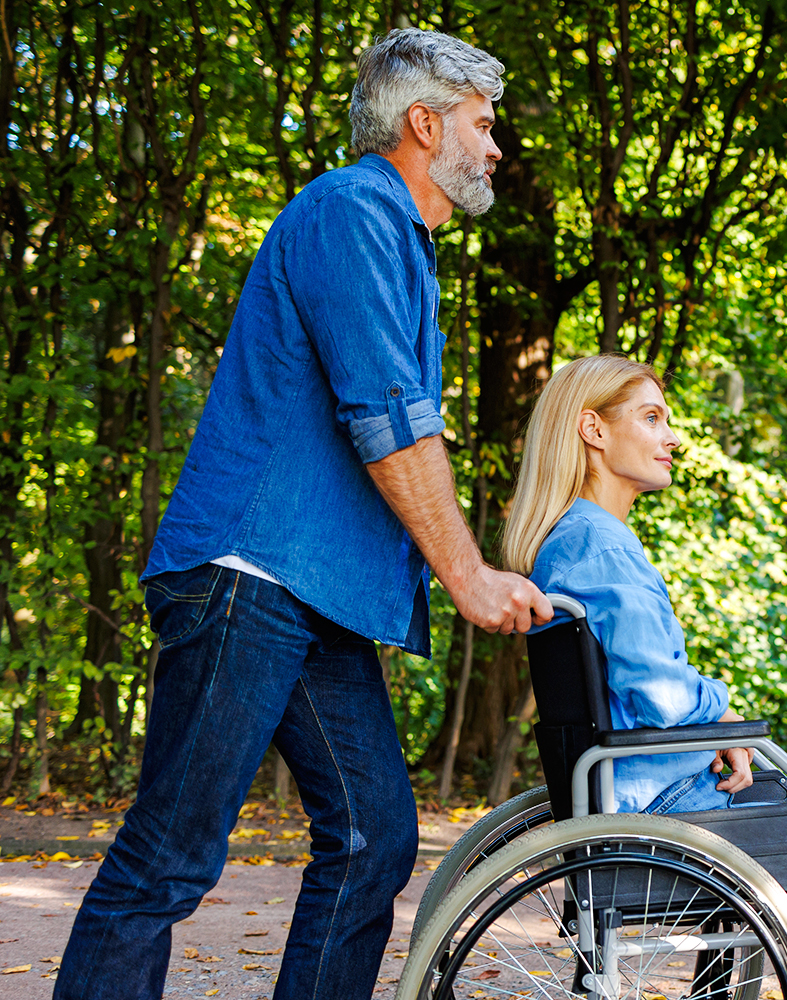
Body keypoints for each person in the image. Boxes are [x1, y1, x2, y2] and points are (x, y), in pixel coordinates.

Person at [54, 29, 552, 1000]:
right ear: (424, 123)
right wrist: (467, 574)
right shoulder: (352, 212)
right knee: (169, 858)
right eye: (483, 126)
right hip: (247, 576)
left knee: (374, 839)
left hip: (312, 595)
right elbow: (388, 418)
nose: (495, 149)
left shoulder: (404, 241)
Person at [500, 354, 787, 999]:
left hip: (643, 801)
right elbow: (657, 693)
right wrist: (719, 714)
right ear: (594, 431)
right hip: (665, 816)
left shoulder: (574, 539)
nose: (672, 437)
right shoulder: (600, 545)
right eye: (652, 418)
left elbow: (642, 688)